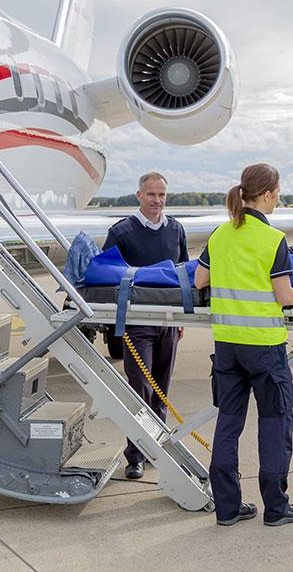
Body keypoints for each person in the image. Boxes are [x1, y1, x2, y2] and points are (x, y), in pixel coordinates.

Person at [193, 163, 293, 526]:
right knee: (274, 425)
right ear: (269, 194)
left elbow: (198, 280)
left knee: (228, 423)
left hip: (227, 345)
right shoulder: (273, 240)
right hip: (265, 348)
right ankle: (276, 508)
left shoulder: (221, 234)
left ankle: (227, 508)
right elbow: (284, 296)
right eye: (278, 193)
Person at [103, 172, 189, 481]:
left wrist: (181, 319)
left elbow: (183, 276)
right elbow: (106, 274)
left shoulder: (176, 230)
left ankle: (156, 447)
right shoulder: (122, 232)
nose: (157, 201)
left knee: (160, 390)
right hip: (137, 324)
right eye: (151, 194)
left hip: (167, 323)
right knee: (138, 389)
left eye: (162, 195)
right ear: (139, 195)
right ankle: (135, 455)